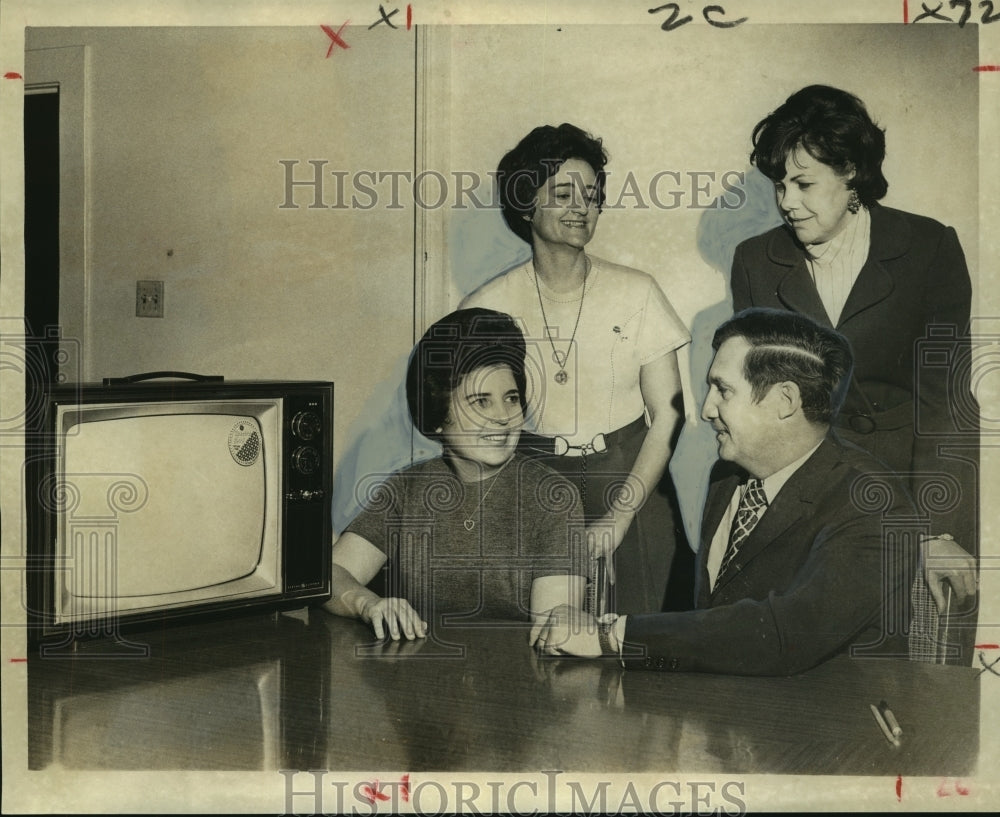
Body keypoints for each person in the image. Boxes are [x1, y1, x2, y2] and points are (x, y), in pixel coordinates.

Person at [535, 308, 918, 676]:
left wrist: (612, 635)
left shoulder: (874, 504)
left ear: (785, 401)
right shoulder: (727, 476)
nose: (706, 410)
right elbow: (713, 625)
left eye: (723, 390)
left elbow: (788, 635)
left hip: (832, 729)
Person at [729, 85, 978, 631]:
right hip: (797, 503)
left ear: (851, 174)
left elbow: (946, 400)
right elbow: (756, 408)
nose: (787, 201)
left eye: (804, 183)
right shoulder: (754, 260)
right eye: (780, 185)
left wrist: (939, 530)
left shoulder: (928, 248)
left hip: (900, 504)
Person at [459, 123, 690, 616]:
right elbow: (473, 425)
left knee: (642, 643)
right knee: (541, 640)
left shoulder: (638, 291)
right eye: (564, 193)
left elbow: (669, 416)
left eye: (592, 195)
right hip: (534, 484)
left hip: (632, 482)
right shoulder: (486, 306)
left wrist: (620, 518)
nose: (581, 206)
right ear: (526, 204)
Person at [323, 307, 587, 640]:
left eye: (511, 398)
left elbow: (553, 631)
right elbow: (330, 574)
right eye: (481, 402)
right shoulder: (407, 487)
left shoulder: (552, 496)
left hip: (519, 683)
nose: (504, 417)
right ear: (437, 415)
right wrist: (368, 604)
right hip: (420, 679)